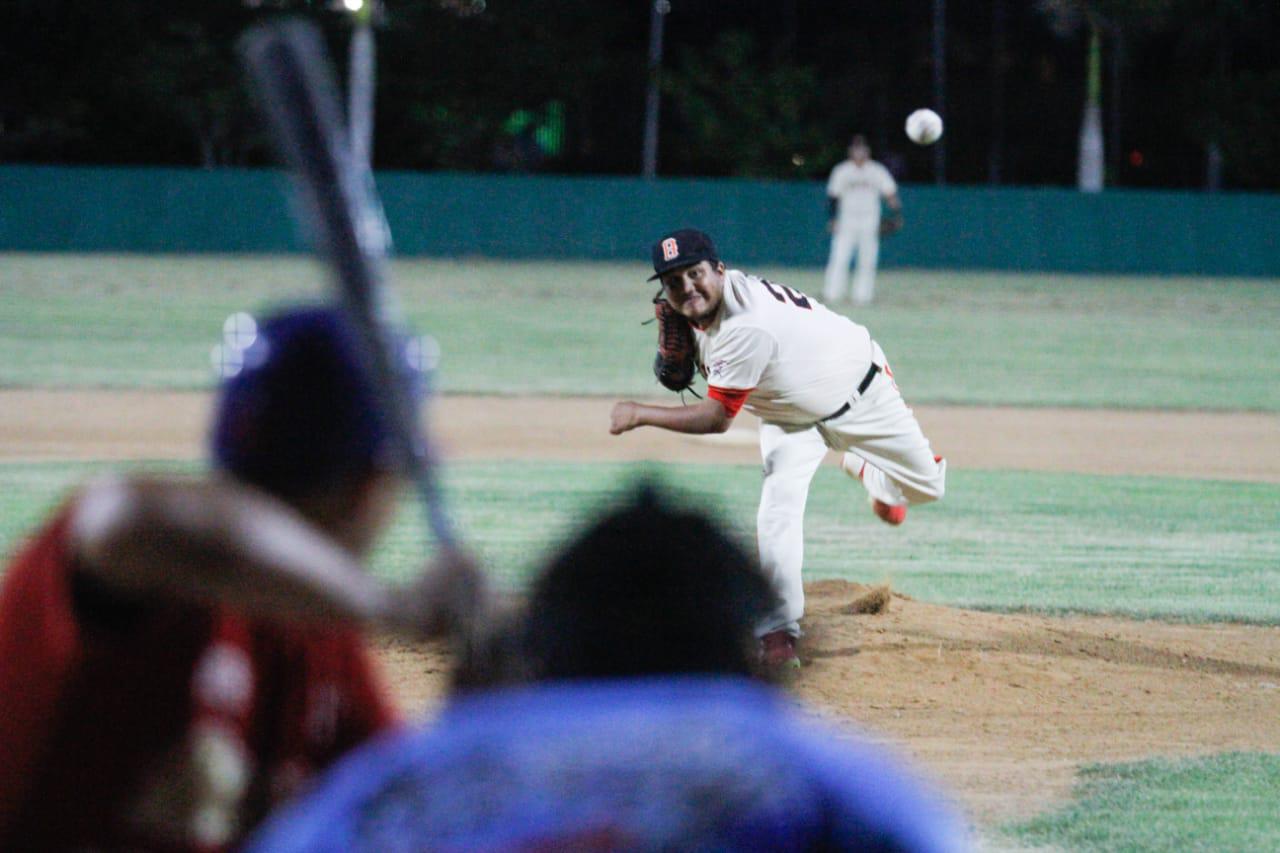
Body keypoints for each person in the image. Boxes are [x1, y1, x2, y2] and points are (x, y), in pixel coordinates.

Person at [244, 487, 969, 852]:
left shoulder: (397, 788)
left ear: (534, 655)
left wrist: (466, 729)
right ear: (763, 666)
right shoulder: (819, 776)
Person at [0, 305, 478, 852]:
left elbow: (402, 812)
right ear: (372, 484)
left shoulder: (322, 643)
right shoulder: (146, 567)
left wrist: (478, 716)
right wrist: (393, 608)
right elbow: (127, 518)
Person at [610, 229, 946, 669]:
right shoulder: (699, 312)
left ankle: (873, 475)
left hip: (861, 395)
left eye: (695, 274)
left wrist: (640, 413)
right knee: (778, 505)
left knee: (928, 487)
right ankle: (778, 631)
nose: (687, 287)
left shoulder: (746, 325)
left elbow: (716, 418)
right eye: (673, 283)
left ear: (719, 270)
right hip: (789, 415)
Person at [824, 134, 903, 306]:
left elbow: (890, 194)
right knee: (839, 257)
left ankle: (863, 297)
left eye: (862, 148)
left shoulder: (877, 170)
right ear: (850, 151)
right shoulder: (842, 170)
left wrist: (897, 214)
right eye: (856, 148)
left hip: (870, 221)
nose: (859, 152)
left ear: (867, 151)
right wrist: (832, 219)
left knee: (867, 260)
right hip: (847, 220)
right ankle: (832, 294)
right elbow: (833, 197)